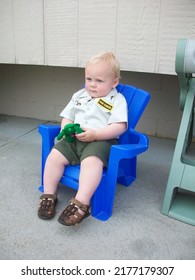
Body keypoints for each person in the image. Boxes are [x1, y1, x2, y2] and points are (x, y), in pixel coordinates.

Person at [38, 52, 128, 226]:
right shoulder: (79, 95)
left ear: (114, 82)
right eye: (89, 79)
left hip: (101, 142)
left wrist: (96, 134)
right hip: (74, 140)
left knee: (91, 163)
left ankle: (81, 202)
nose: (92, 85)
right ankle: (49, 194)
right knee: (54, 156)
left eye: (99, 81)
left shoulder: (117, 100)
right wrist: (66, 128)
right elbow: (67, 116)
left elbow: (120, 127)